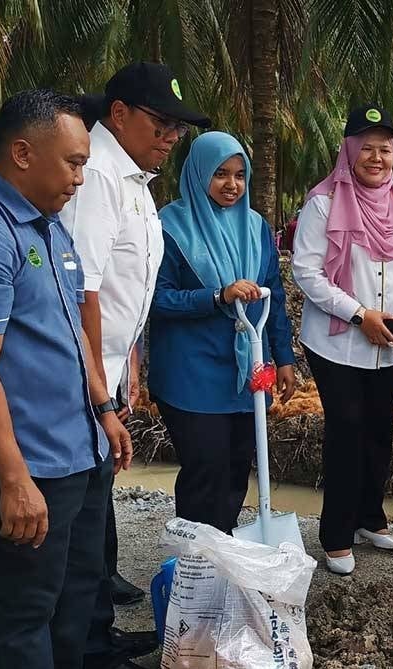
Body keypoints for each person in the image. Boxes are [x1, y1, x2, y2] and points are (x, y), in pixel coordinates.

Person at [0, 89, 132, 669]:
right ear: (24, 153)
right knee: (24, 615)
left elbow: (73, 331)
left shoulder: (49, 225)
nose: (81, 178)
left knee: (74, 602)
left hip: (78, 455)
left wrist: (104, 410)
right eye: (74, 162)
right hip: (27, 465)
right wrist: (12, 480)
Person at [60, 62, 211, 668]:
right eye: (162, 121)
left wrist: (127, 373)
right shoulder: (95, 174)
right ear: (118, 114)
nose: (172, 135)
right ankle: (84, 644)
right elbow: (85, 292)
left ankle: (97, 630)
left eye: (179, 126)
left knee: (96, 502)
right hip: (81, 375)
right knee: (80, 509)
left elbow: (129, 295)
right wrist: (100, 394)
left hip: (109, 367)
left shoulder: (133, 177)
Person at [292, 104, 393, 575]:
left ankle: (369, 517)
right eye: (367, 148)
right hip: (337, 343)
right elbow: (307, 272)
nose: (377, 158)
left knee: (379, 430)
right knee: (347, 430)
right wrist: (358, 315)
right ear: (349, 150)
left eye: (386, 150)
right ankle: (335, 532)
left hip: (389, 341)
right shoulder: (324, 204)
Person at [149, 132, 296, 533]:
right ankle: (195, 559)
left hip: (249, 367)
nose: (232, 185)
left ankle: (224, 549)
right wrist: (216, 296)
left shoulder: (256, 227)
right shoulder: (168, 227)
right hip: (191, 372)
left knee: (237, 465)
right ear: (197, 174)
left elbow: (274, 296)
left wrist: (283, 358)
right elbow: (156, 300)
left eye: (239, 175)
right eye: (220, 174)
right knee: (205, 466)